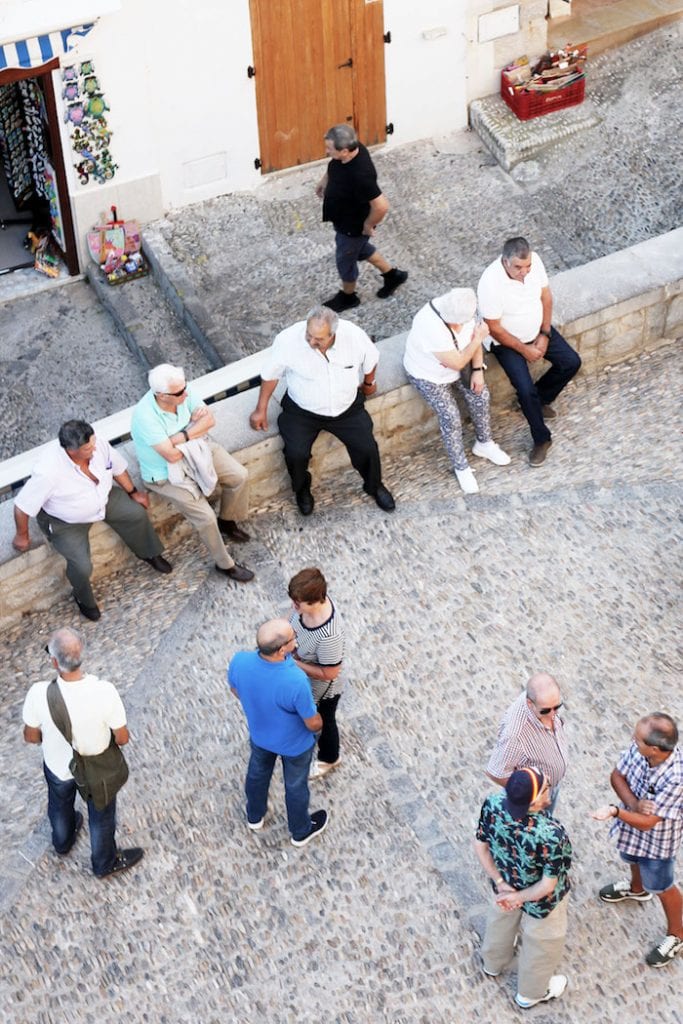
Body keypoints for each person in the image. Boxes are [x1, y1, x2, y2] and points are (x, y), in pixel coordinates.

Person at [12, 419, 172, 621]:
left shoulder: (97, 444)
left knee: (135, 514)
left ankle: (149, 554)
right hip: (66, 520)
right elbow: (22, 506)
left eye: (93, 443)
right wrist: (22, 535)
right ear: (71, 450)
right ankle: (83, 598)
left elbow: (117, 468)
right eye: (88, 448)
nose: (95, 448)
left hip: (103, 497)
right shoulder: (48, 471)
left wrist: (133, 492)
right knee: (81, 565)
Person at [21, 627, 144, 878]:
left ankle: (63, 841)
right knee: (101, 816)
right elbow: (122, 737)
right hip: (97, 772)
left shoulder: (38, 693)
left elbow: (30, 736)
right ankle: (104, 863)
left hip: (57, 766)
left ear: (55, 662)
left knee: (59, 804)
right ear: (82, 655)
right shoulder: (104, 691)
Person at [249, 305, 395, 515]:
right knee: (296, 454)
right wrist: (260, 409)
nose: (311, 342)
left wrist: (369, 383)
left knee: (367, 448)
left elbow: (371, 358)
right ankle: (302, 492)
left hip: (346, 408)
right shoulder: (288, 340)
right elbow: (271, 374)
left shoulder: (353, 336)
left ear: (333, 334)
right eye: (309, 335)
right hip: (302, 410)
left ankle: (374, 486)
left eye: (318, 339)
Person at [131, 363, 254, 583]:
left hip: (198, 450)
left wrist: (181, 436)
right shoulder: (145, 417)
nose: (186, 393)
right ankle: (225, 564)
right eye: (179, 392)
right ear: (161, 395)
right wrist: (194, 427)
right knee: (205, 518)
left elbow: (210, 420)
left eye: (185, 387)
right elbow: (171, 456)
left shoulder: (180, 392)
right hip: (165, 474)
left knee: (239, 476)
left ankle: (227, 520)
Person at [477, 236, 581, 467]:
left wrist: (544, 334)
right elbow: (494, 327)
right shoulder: (489, 282)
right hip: (507, 341)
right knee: (525, 390)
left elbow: (546, 297)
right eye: (518, 267)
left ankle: (541, 398)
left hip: (537, 330)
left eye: (527, 267)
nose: (524, 272)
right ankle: (542, 439)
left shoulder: (535, 262)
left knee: (571, 362)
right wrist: (525, 350)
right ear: (505, 262)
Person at [590, 712, 683, 968]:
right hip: (633, 831)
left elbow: (649, 823)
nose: (633, 740)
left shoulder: (677, 778)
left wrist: (617, 811)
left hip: (658, 844)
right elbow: (617, 776)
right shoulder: (640, 750)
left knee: (663, 886)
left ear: (653, 748)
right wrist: (632, 804)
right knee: (631, 858)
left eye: (638, 739)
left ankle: (677, 934)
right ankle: (637, 889)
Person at [474, 768, 572, 1009]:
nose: (550, 786)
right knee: (543, 940)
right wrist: (520, 897)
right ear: (536, 801)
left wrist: (502, 884)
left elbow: (480, 845)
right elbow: (548, 885)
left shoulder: (493, 803)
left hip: (504, 886)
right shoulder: (552, 834)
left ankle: (493, 963)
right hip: (541, 902)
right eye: (546, 787)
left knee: (500, 920)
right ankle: (531, 992)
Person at [228, 619, 328, 847]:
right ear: (282, 650)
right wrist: (322, 725)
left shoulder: (240, 661)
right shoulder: (295, 680)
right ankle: (300, 831)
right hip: (295, 745)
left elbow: (235, 689)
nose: (297, 639)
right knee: (295, 786)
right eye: (293, 637)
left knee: (257, 774)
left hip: (261, 736)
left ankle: (254, 815)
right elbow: (311, 722)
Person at [403, 287, 510, 494]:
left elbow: (473, 340)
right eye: (453, 323)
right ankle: (460, 467)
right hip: (428, 375)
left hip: (462, 362)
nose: (457, 326)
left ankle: (484, 443)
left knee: (480, 395)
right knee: (450, 416)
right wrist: (478, 338)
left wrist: (478, 370)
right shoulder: (429, 325)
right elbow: (458, 362)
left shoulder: (469, 309)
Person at [316, 124, 407, 313]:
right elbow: (333, 165)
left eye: (329, 149)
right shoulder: (353, 150)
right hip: (344, 221)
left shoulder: (361, 175)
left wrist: (368, 225)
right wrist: (325, 181)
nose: (326, 152)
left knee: (345, 260)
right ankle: (393, 275)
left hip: (352, 226)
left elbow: (381, 206)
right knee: (361, 250)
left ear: (345, 151)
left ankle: (349, 297)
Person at [288, 568, 345, 780]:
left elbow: (329, 673)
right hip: (303, 676)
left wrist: (295, 663)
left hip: (322, 690)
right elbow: (292, 618)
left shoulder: (329, 636)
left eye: (297, 604)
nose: (293, 607)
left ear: (313, 602)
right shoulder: (307, 605)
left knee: (326, 721)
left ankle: (330, 758)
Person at [486, 673, 569, 812]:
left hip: (550, 787)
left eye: (557, 707)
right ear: (530, 703)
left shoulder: (542, 702)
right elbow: (496, 773)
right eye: (546, 711)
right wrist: (533, 797)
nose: (553, 715)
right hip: (536, 798)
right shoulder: (515, 735)